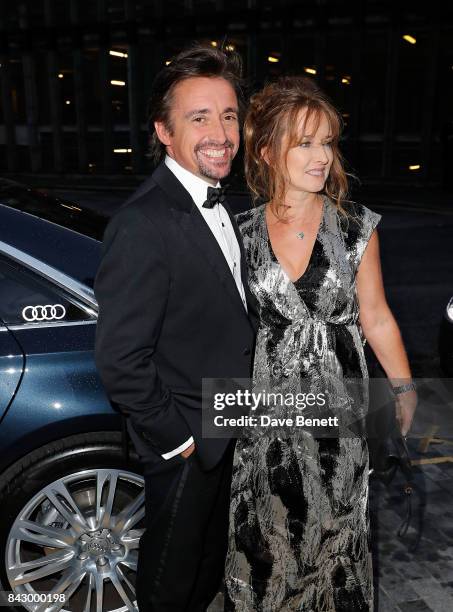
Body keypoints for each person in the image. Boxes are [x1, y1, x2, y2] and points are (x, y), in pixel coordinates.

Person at [224, 76, 417, 611]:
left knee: (336, 538)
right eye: (304, 143)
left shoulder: (356, 229)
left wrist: (403, 389)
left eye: (328, 142)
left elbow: (376, 317)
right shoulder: (236, 234)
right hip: (265, 412)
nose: (321, 157)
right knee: (266, 535)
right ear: (266, 150)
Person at [94, 45, 257, 611]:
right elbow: (120, 358)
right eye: (199, 117)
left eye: (229, 115)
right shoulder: (143, 222)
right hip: (186, 441)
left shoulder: (216, 207)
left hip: (223, 426)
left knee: (204, 572)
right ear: (164, 132)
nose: (220, 132)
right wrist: (179, 440)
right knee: (170, 585)